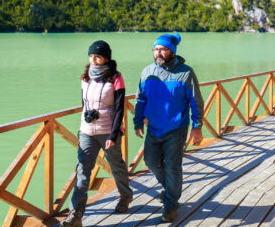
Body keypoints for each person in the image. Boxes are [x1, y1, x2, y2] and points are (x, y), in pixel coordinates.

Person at [60, 40, 133, 227]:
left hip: (109, 131)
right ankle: (75, 216)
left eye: (97, 57)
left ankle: (125, 196)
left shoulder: (116, 78)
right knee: (82, 171)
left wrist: (113, 135)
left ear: (106, 58)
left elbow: (119, 109)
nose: (93, 59)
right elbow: (85, 104)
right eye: (91, 56)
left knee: (116, 165)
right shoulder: (86, 77)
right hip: (86, 131)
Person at [133, 33, 204, 223]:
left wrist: (197, 126)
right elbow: (140, 99)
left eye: (163, 49)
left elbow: (196, 101)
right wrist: (137, 121)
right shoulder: (147, 72)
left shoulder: (186, 73)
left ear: (172, 51)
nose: (158, 53)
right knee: (150, 162)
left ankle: (170, 205)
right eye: (155, 49)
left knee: (173, 167)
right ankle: (171, 190)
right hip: (153, 128)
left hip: (176, 128)